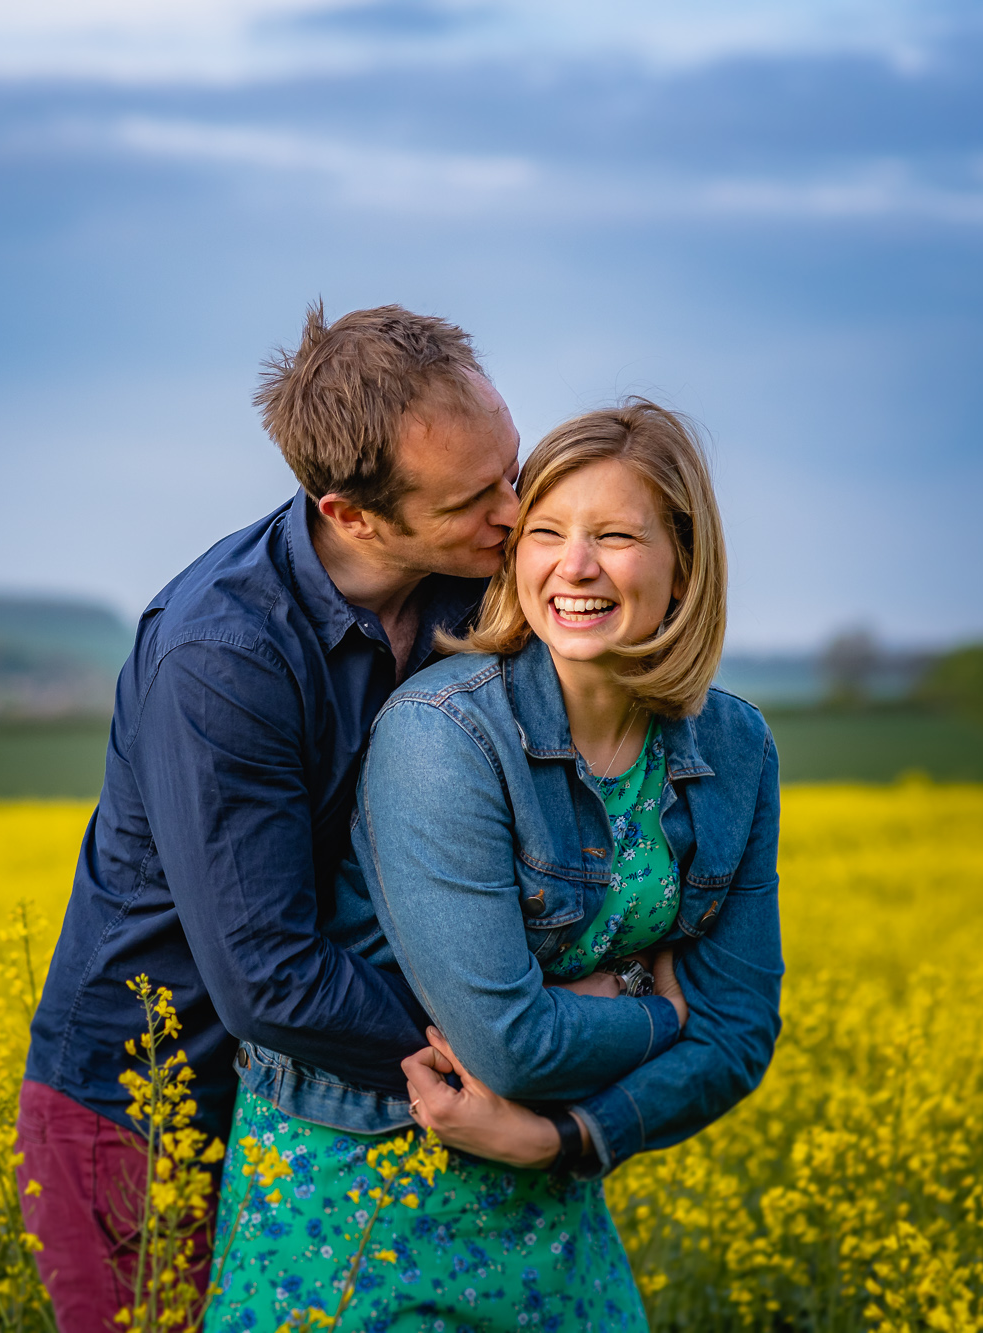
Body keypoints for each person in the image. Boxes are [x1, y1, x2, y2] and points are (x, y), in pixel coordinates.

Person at [206, 401, 784, 1332]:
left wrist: (560, 1137)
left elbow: (746, 1032)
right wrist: (664, 1008)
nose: (576, 565)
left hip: (546, 1189)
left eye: (617, 536)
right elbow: (506, 1043)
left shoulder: (736, 747)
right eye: (546, 531)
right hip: (356, 1187)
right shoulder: (446, 735)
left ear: (683, 564)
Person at [18, 303, 523, 1332]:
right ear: (350, 515)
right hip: (148, 1106)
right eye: (477, 499)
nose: (517, 516)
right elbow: (268, 976)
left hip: (321, 1095)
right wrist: (505, 1059)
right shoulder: (223, 653)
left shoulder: (470, 590)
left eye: (512, 471)